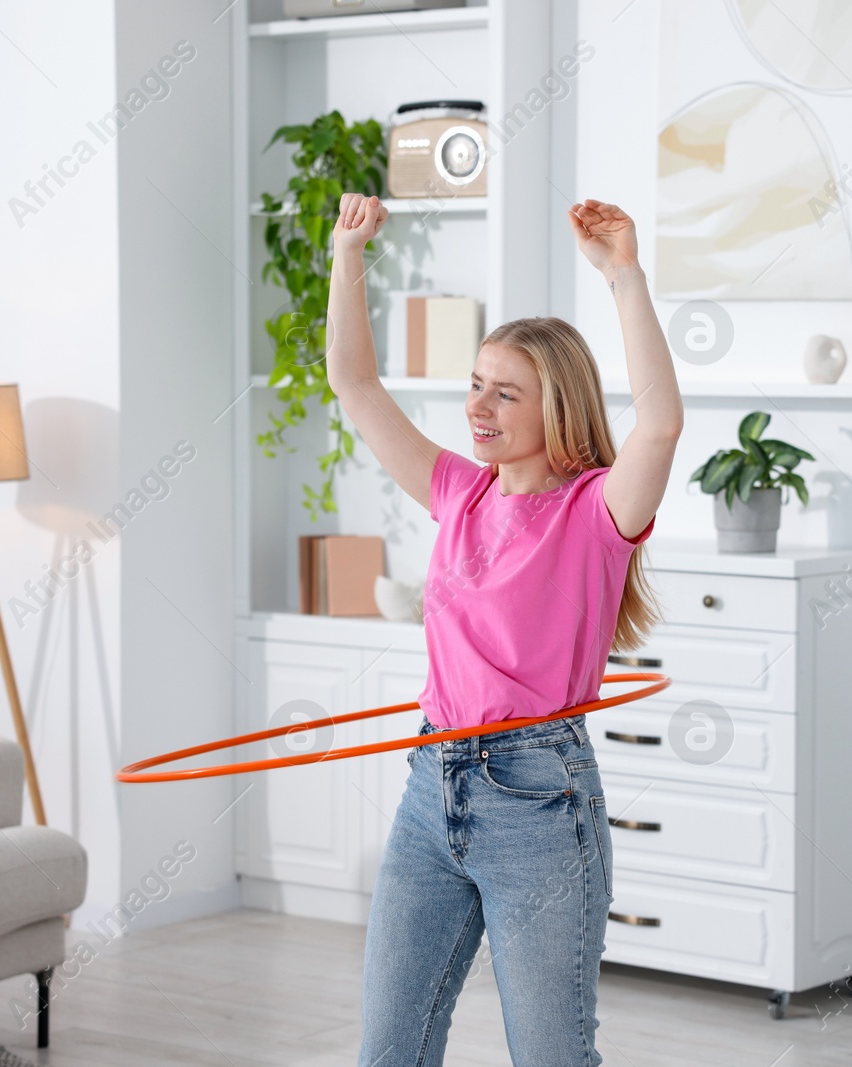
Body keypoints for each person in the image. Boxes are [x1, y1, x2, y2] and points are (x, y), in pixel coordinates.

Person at [325, 192, 684, 1067]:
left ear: (554, 406)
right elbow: (356, 385)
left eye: (504, 392)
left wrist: (624, 276)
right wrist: (347, 256)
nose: (477, 406)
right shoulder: (459, 490)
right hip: (429, 785)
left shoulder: (596, 512)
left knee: (552, 1059)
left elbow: (662, 423)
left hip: (538, 801)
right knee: (388, 1052)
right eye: (475, 384)